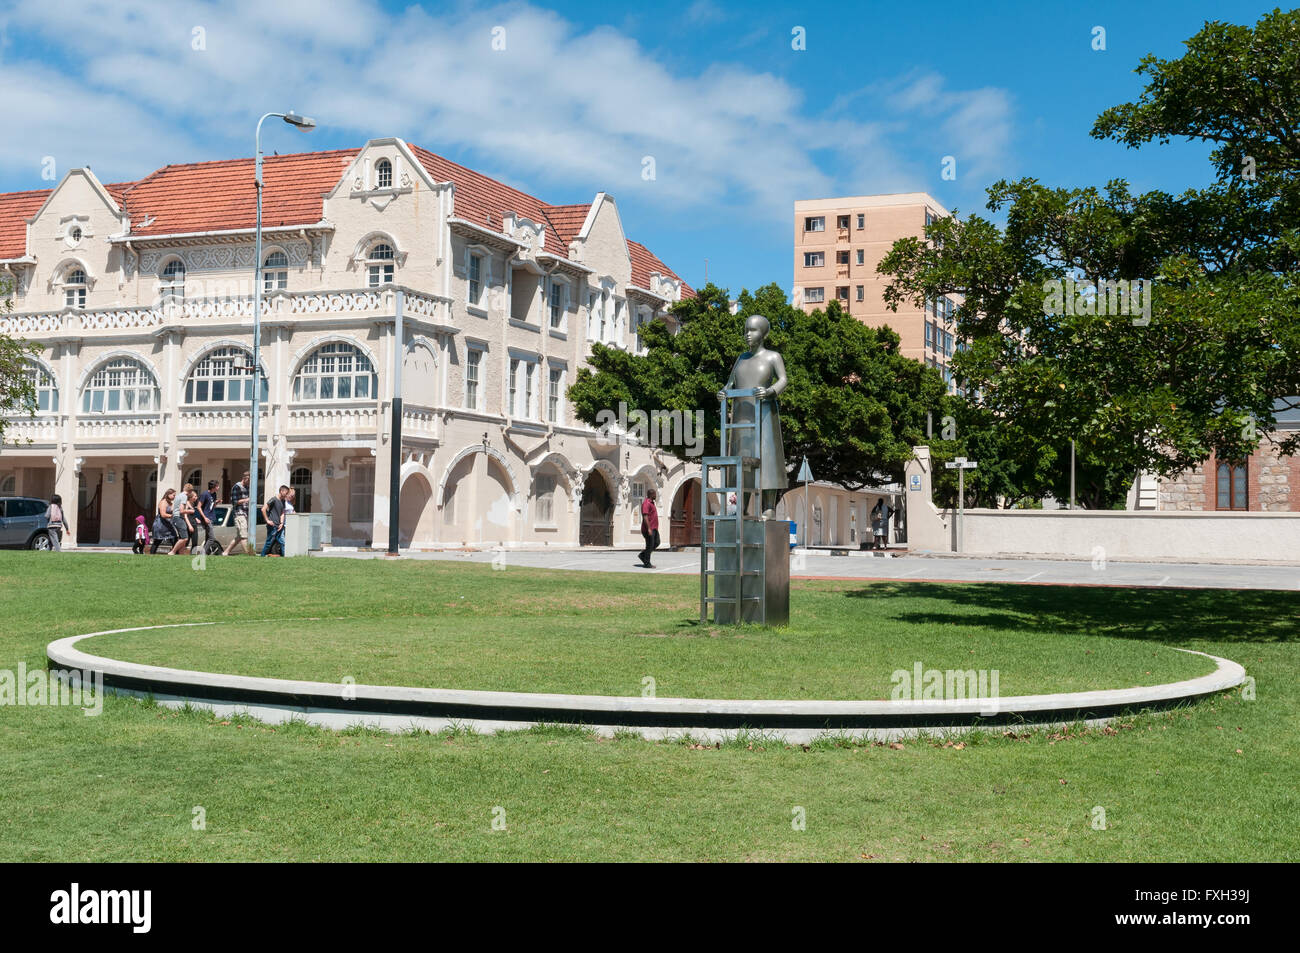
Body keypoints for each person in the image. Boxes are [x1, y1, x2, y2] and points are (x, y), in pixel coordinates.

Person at [717, 314, 788, 518]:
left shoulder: (773, 357)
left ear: (763, 333)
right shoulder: (741, 358)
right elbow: (730, 383)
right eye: (746, 330)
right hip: (740, 417)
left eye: (753, 330)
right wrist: (723, 393)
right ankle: (739, 505)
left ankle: (769, 506)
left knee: (767, 459)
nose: (748, 334)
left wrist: (770, 391)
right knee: (741, 459)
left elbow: (783, 380)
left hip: (764, 413)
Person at [225, 471, 251, 555]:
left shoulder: (247, 487)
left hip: (246, 513)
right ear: (245, 478)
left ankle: (225, 552)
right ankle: (249, 555)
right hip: (239, 514)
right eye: (249, 480)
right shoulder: (237, 487)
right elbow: (235, 501)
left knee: (239, 536)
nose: (250, 482)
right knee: (244, 536)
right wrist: (246, 500)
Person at [260, 485, 289, 557]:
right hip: (272, 525)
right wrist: (267, 520)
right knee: (269, 542)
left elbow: (282, 513)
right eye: (286, 492)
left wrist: (281, 523)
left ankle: (285, 556)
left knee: (282, 542)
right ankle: (262, 556)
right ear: (281, 491)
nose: (287, 494)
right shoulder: (273, 499)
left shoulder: (283, 501)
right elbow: (263, 509)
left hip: (279, 526)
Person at [152, 489, 181, 555]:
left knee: (174, 538)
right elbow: (163, 514)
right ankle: (151, 555)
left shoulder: (170, 503)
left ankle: (176, 554)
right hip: (161, 524)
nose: (174, 497)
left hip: (168, 524)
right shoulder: (163, 502)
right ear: (168, 494)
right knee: (157, 541)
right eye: (173, 495)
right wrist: (173, 516)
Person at [638, 487, 660, 568]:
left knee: (657, 542)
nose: (656, 495)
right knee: (649, 545)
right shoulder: (646, 503)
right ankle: (647, 563)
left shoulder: (652, 503)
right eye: (654, 494)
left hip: (654, 528)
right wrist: (649, 528)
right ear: (651, 494)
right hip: (648, 529)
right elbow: (645, 516)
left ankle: (643, 555)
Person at [196, 480, 218, 552]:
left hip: (211, 517)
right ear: (213, 487)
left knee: (208, 537)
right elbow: (199, 507)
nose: (218, 487)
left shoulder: (214, 494)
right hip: (206, 517)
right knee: (212, 538)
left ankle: (205, 553)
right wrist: (204, 517)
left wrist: (216, 503)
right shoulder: (204, 494)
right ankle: (203, 552)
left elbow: (212, 506)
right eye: (217, 486)